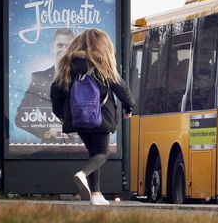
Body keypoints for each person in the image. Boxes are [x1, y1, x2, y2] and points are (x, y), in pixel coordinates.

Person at [50, 29, 135, 205]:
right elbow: (121, 88)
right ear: (103, 45)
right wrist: (129, 107)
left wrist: (61, 115)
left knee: (93, 153)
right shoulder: (102, 63)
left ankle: (96, 194)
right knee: (102, 153)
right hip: (101, 117)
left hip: (78, 119)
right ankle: (82, 173)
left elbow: (55, 91)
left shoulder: (68, 63)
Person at [15, 28, 75, 141]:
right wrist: (47, 131)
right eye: (60, 45)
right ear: (53, 48)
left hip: (83, 149)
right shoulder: (39, 78)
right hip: (49, 149)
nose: (64, 49)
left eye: (68, 46)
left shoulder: (85, 78)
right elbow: (21, 117)